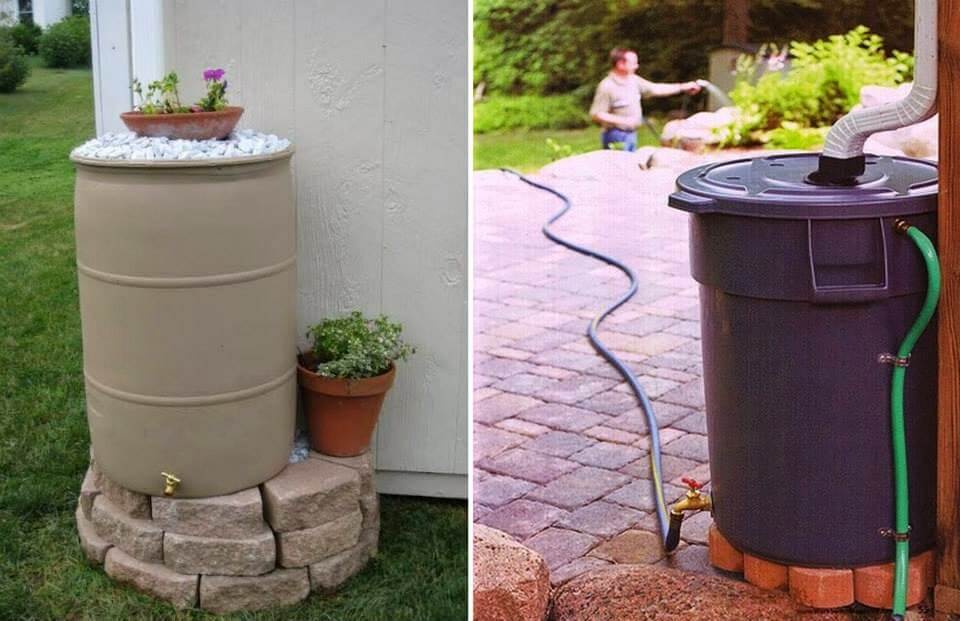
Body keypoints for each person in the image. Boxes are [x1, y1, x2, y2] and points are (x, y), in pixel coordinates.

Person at [590, 48, 702, 151]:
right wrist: (624, 121)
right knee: (618, 169)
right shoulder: (606, 86)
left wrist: (683, 87)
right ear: (620, 64)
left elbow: (655, 89)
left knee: (630, 168)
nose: (636, 66)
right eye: (633, 63)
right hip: (615, 136)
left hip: (631, 134)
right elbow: (597, 114)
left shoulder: (633, 80)